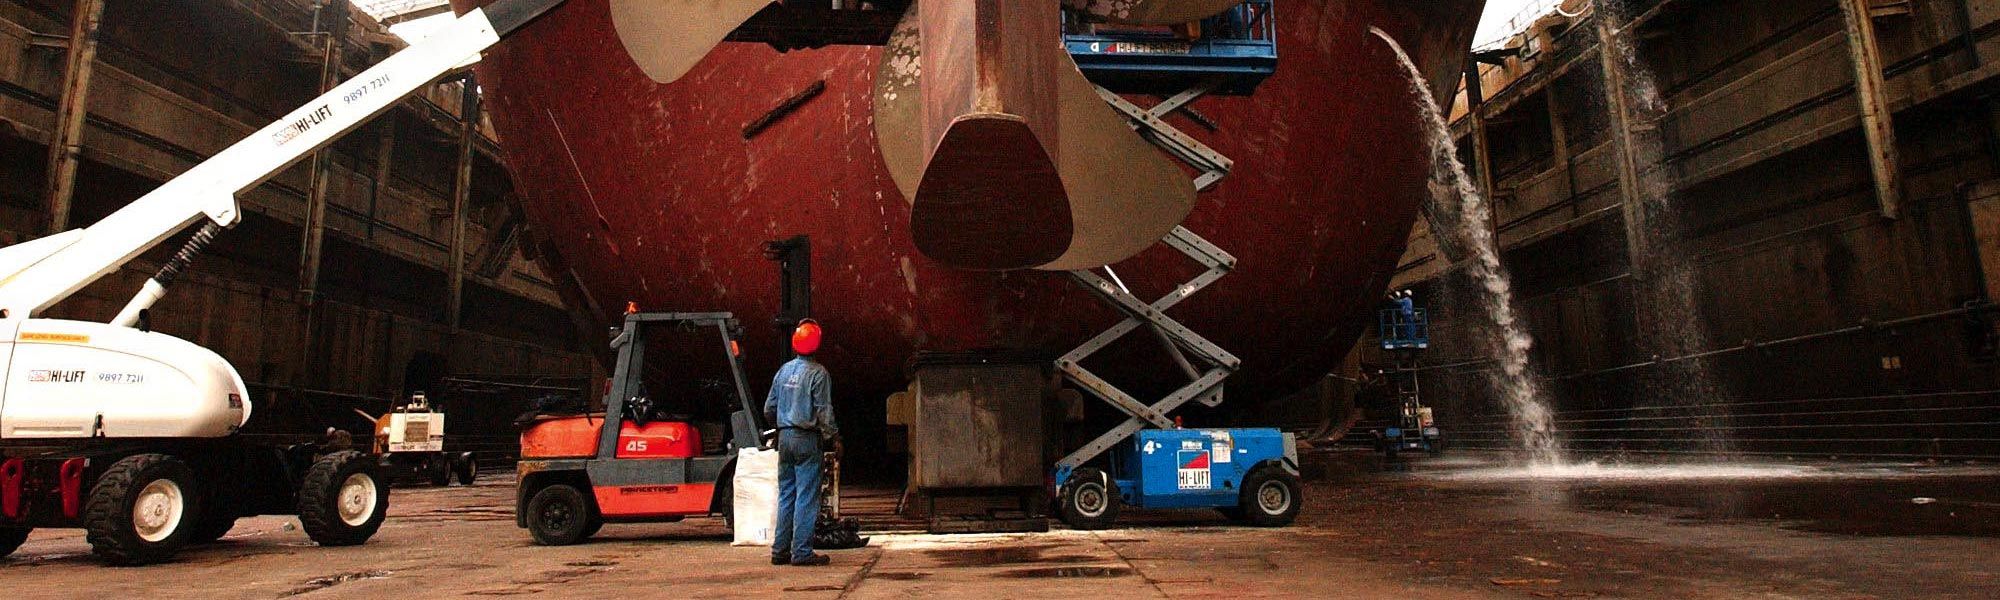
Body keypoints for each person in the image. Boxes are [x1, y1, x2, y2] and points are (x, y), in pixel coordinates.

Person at [764, 319, 838, 567]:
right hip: (807, 439)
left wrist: (784, 423)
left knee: (787, 494)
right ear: (817, 344)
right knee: (806, 496)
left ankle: (780, 550)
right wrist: (833, 437)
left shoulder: (783, 371)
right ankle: (802, 552)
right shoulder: (818, 373)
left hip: (784, 438)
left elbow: (769, 408)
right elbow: (823, 412)